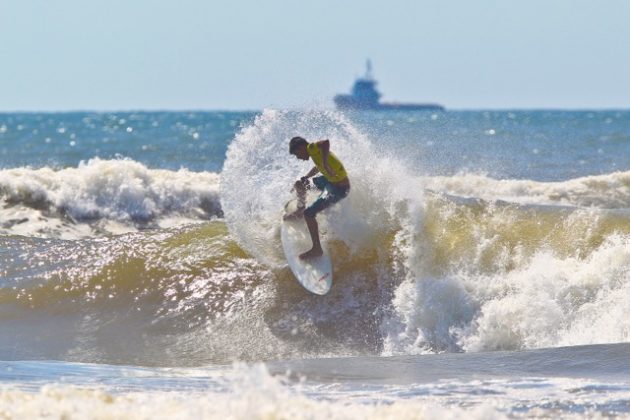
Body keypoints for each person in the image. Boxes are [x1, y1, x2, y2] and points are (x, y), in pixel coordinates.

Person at [285, 136, 350, 259]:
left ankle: (317, 249)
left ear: (301, 148)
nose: (298, 158)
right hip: (329, 181)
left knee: (309, 214)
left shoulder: (312, 147)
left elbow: (325, 142)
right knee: (300, 184)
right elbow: (318, 166)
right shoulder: (314, 154)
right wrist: (307, 176)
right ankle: (300, 210)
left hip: (338, 188)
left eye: (296, 154)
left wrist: (325, 162)